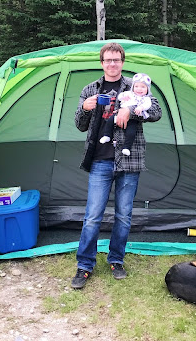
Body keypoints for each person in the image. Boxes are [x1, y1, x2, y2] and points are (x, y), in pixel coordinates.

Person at [71, 43, 162, 289]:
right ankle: (85, 265)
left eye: (117, 60)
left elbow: (155, 111)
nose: (112, 64)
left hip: (129, 160)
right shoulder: (90, 89)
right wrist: (84, 108)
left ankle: (116, 260)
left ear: (122, 62)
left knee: (123, 215)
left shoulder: (135, 86)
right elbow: (79, 125)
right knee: (92, 216)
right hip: (100, 159)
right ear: (102, 63)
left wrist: (130, 109)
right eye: (108, 60)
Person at [99, 73, 153, 156]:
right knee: (110, 120)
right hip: (119, 113)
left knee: (131, 132)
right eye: (136, 86)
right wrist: (123, 97)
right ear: (133, 87)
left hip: (133, 118)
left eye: (143, 87)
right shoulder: (129, 93)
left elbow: (148, 105)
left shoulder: (146, 98)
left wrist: (141, 108)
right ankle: (107, 135)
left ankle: (126, 147)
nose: (139, 89)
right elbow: (120, 96)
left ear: (147, 89)